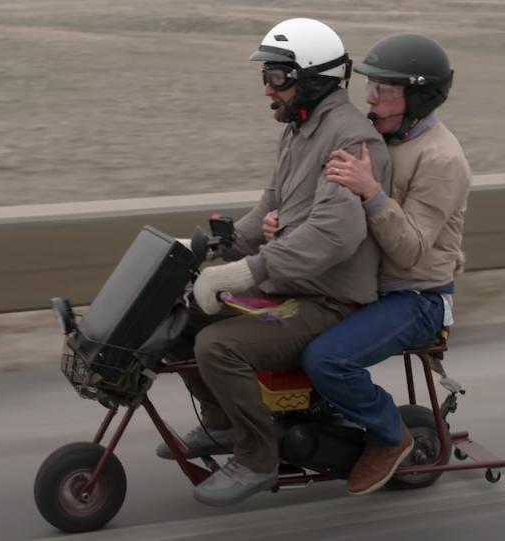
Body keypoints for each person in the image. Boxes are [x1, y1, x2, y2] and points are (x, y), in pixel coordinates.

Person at [157, 18, 391, 507]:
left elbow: (335, 232)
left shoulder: (351, 141)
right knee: (181, 319)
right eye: (267, 75)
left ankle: (257, 459)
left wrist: (246, 271)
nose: (268, 87)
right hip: (289, 285)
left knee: (218, 346)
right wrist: (210, 254)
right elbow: (267, 208)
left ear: (311, 77)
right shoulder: (301, 128)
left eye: (278, 77)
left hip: (327, 299)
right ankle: (223, 425)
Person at [262, 32, 472, 496]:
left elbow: (411, 251)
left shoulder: (442, 159)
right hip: (363, 287)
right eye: (370, 85)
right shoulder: (374, 136)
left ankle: (387, 434)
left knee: (327, 358)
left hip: (416, 297)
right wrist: (284, 226)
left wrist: (371, 191)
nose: (371, 98)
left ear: (418, 95)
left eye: (386, 89)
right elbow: (332, 218)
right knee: (263, 324)